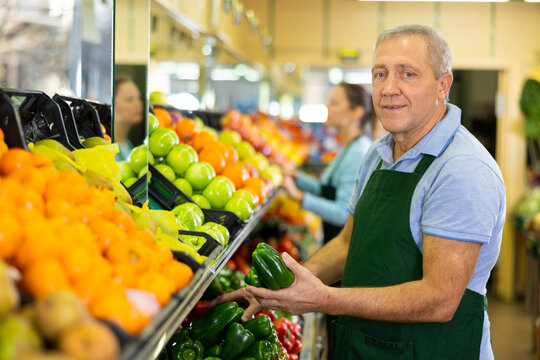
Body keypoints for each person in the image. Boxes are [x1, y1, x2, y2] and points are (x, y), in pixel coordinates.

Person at [213, 24, 506, 360]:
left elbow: (439, 299)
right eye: (380, 74)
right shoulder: (378, 154)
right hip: (365, 347)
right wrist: (280, 288)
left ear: (443, 84)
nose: (388, 88)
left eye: (407, 74)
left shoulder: (462, 169)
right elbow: (346, 243)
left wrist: (323, 299)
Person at [282, 82, 373, 243]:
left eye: (334, 103)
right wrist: (297, 178)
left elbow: (342, 213)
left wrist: (299, 196)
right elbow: (327, 189)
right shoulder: (350, 146)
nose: (327, 106)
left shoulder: (358, 153)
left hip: (342, 249)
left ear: (356, 113)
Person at [113, 77, 143, 161]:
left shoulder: (128, 145)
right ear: (113, 105)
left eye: (139, 98)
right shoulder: (108, 149)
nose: (139, 104)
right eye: (129, 99)